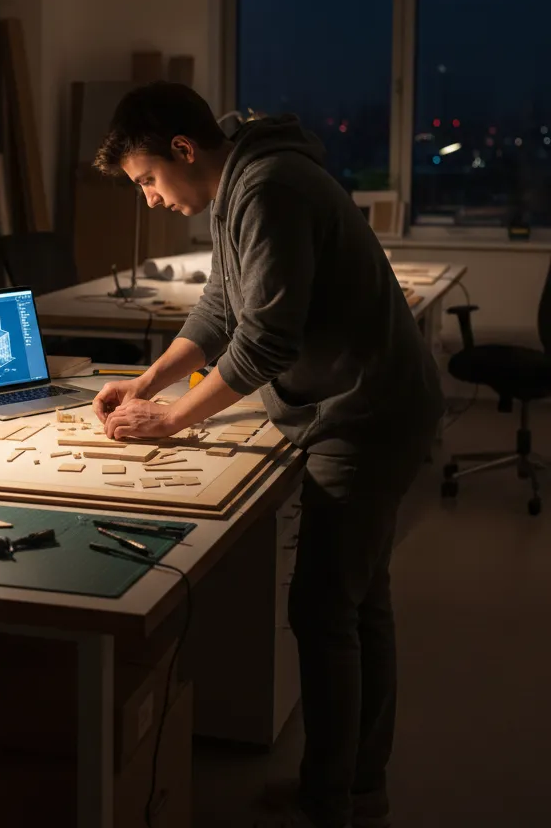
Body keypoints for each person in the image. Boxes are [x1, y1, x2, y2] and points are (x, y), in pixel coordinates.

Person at [91, 82, 444, 828]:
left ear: (185, 150)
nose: (150, 200)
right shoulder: (243, 182)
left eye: (149, 180)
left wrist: (175, 420)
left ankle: (332, 800)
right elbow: (224, 304)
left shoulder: (270, 186)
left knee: (324, 609)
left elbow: (266, 341)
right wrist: (150, 379)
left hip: (367, 413)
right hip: (358, 402)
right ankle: (352, 783)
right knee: (356, 601)